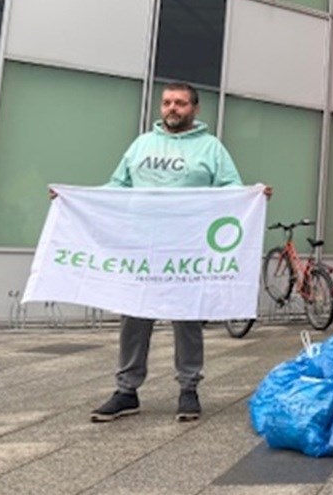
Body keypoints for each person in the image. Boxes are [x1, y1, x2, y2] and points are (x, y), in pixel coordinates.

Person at [73, 82, 270, 423]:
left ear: (194, 109)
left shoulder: (211, 149)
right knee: (134, 317)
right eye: (166, 102)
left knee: (187, 318)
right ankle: (126, 391)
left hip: (186, 247)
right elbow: (118, 186)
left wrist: (252, 194)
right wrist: (76, 198)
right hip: (141, 245)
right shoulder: (141, 145)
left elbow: (229, 188)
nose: (172, 108)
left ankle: (188, 388)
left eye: (180, 103)